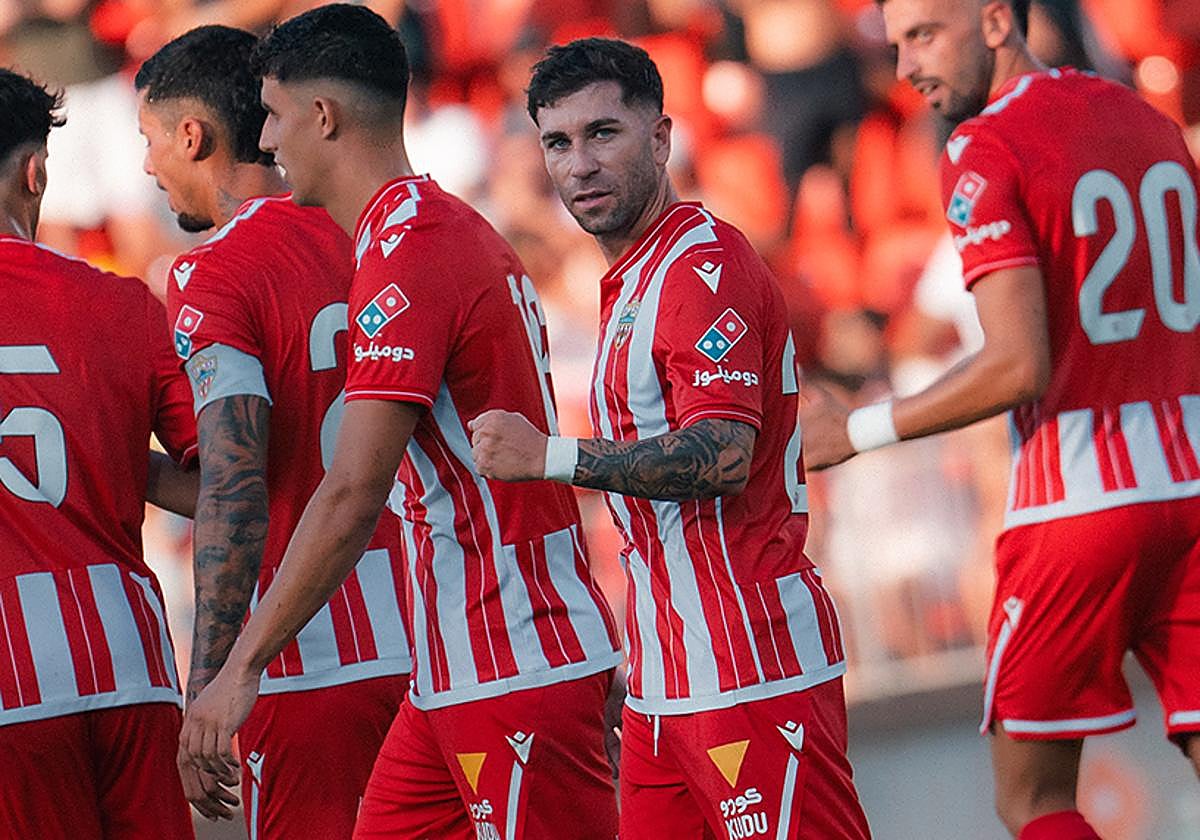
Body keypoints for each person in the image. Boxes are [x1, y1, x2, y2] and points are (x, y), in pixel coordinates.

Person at [177, 7, 623, 839]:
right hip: (454, 665)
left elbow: (353, 491)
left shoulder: (411, 249)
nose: (265, 143)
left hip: (514, 656)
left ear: (323, 117)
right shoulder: (428, 228)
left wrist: (240, 669)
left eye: (272, 116)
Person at [799, 2, 1200, 838]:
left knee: (1034, 797)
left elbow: (1019, 363)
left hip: (1080, 505)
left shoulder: (986, 145)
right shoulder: (1145, 118)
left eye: (923, 36)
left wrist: (859, 432)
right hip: (1192, 484)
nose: (906, 67)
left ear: (992, 22)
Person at [471, 37, 871, 840]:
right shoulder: (631, 278)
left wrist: (551, 455)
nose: (579, 164)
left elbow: (723, 454)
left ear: (661, 138)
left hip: (749, 663)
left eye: (603, 134)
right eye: (558, 142)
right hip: (664, 679)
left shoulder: (699, 267)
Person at [135, 26, 414, 836]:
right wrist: (129, 466)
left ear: (192, 135)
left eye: (149, 141)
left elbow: (238, 482)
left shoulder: (213, 269)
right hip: (440, 637)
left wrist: (214, 679)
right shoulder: (392, 233)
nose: (147, 167)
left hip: (310, 660)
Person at [0, 66, 199, 839]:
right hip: (127, 661)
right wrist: (104, 456)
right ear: (35, 172)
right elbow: (220, 482)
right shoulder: (120, 302)